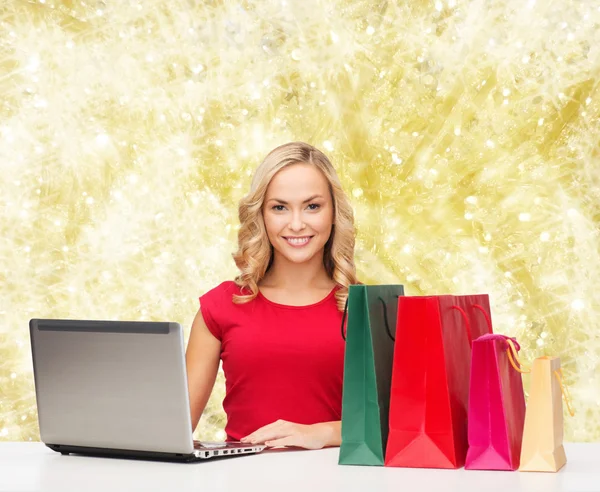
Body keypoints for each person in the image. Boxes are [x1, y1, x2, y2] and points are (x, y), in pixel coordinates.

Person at [185, 141, 358, 450]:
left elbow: (398, 425)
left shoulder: (366, 310)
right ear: (261, 216)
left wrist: (323, 433)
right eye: (279, 207)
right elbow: (175, 431)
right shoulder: (221, 306)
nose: (296, 224)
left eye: (312, 206)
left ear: (334, 213)